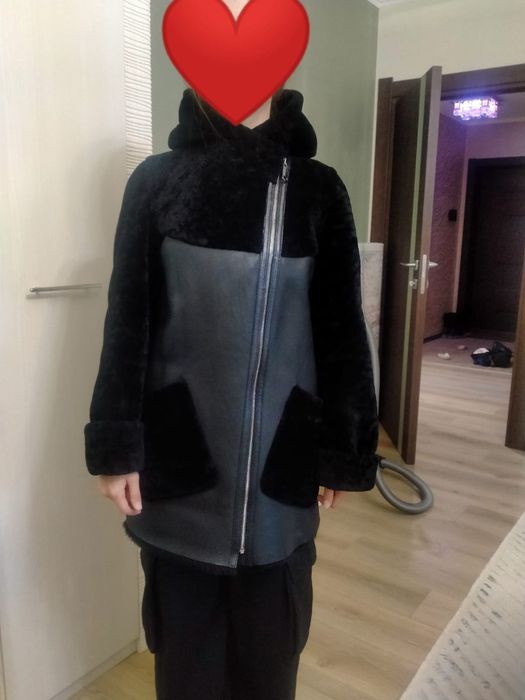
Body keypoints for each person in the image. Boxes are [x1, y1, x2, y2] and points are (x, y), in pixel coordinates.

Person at [83, 86, 380, 700]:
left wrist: (343, 447)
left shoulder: (318, 188)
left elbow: (341, 328)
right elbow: (128, 318)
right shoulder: (158, 180)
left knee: (271, 659)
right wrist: (116, 446)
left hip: (282, 466)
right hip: (181, 461)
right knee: (185, 665)